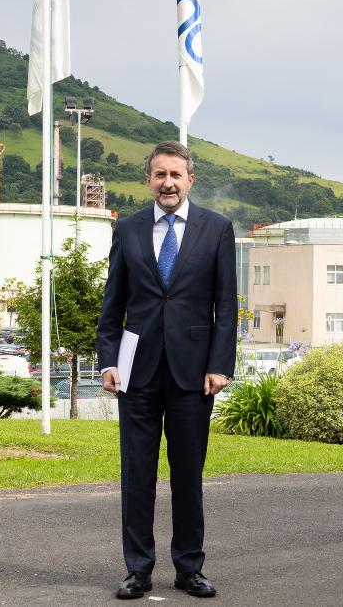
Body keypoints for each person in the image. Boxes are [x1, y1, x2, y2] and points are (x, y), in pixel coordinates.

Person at [97, 141, 236, 599]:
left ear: (190, 179)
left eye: (176, 175)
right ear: (149, 180)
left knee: (187, 476)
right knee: (137, 475)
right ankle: (137, 569)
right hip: (137, 372)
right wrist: (108, 361)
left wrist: (220, 365)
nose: (168, 183)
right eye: (160, 175)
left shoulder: (217, 230)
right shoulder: (130, 230)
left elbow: (226, 307)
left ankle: (189, 567)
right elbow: (112, 304)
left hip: (194, 374)